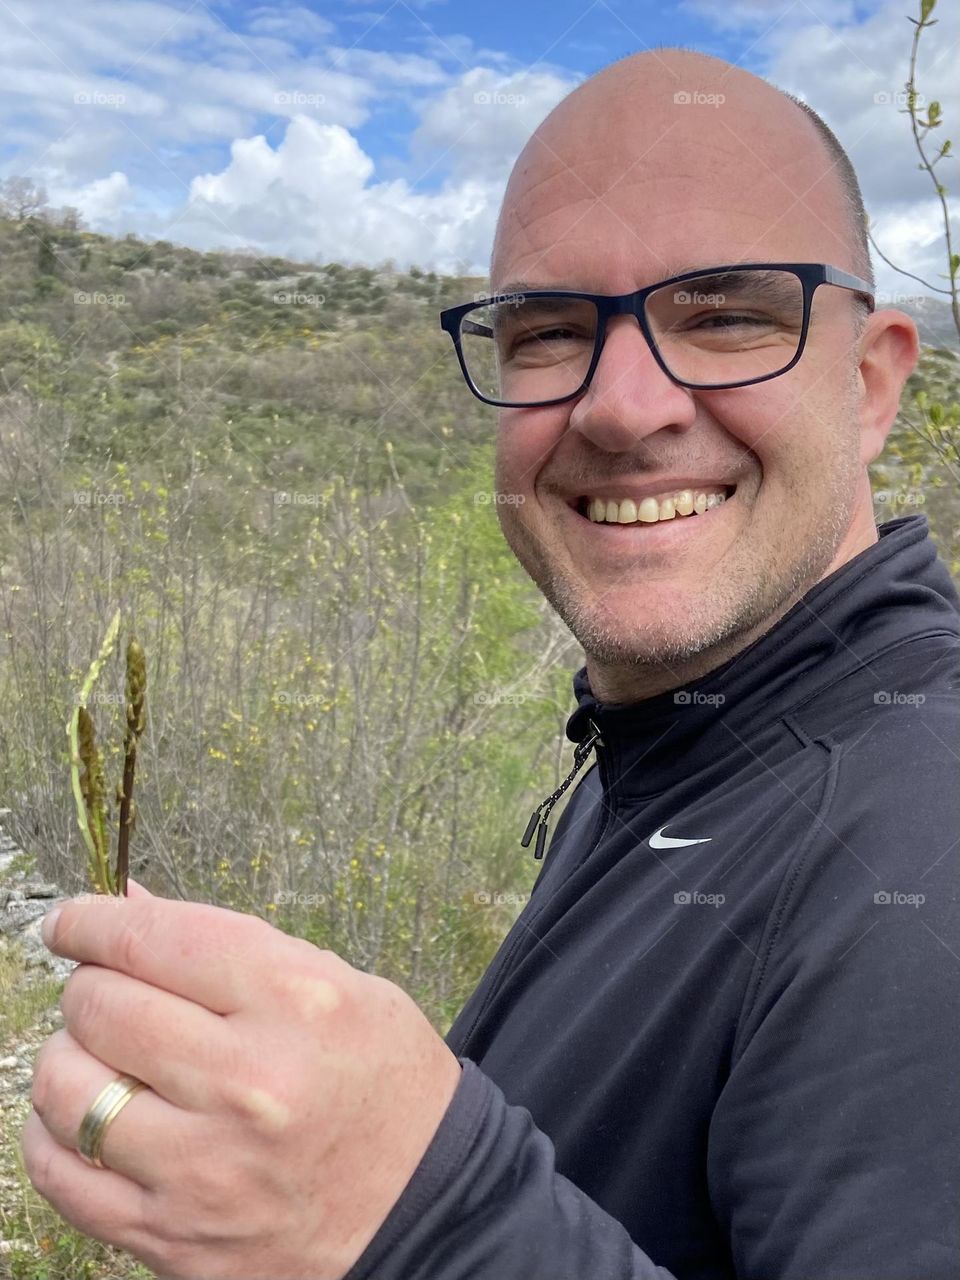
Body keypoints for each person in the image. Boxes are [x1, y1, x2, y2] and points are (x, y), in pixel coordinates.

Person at [344, 47, 960, 1280]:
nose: (622, 408)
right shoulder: (693, 734)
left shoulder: (927, 832)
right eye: (549, 330)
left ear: (873, 381)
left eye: (727, 315)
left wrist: (408, 1209)